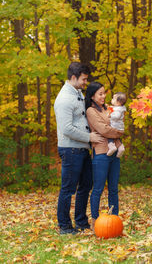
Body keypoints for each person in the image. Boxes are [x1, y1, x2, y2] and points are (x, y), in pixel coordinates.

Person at [54, 62, 104, 235]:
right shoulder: (64, 99)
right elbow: (67, 128)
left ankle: (81, 222)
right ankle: (65, 226)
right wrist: (89, 137)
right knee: (68, 188)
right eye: (83, 79)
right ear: (73, 77)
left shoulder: (78, 94)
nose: (85, 82)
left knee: (86, 184)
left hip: (82, 149)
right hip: (70, 149)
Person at [85, 82, 124, 229]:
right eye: (100, 94)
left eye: (104, 93)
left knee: (113, 188)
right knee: (98, 188)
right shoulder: (91, 111)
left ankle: (114, 219)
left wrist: (114, 129)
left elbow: (119, 122)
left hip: (114, 153)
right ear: (93, 95)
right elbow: (104, 130)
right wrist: (118, 132)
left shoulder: (109, 108)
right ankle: (95, 220)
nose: (103, 96)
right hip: (101, 153)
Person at [107, 92, 127, 157]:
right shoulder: (120, 108)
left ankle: (111, 146)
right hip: (120, 128)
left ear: (118, 102)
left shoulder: (118, 110)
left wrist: (110, 115)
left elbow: (117, 116)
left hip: (115, 127)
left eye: (113, 98)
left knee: (108, 136)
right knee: (117, 138)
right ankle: (121, 147)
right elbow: (112, 108)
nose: (112, 100)